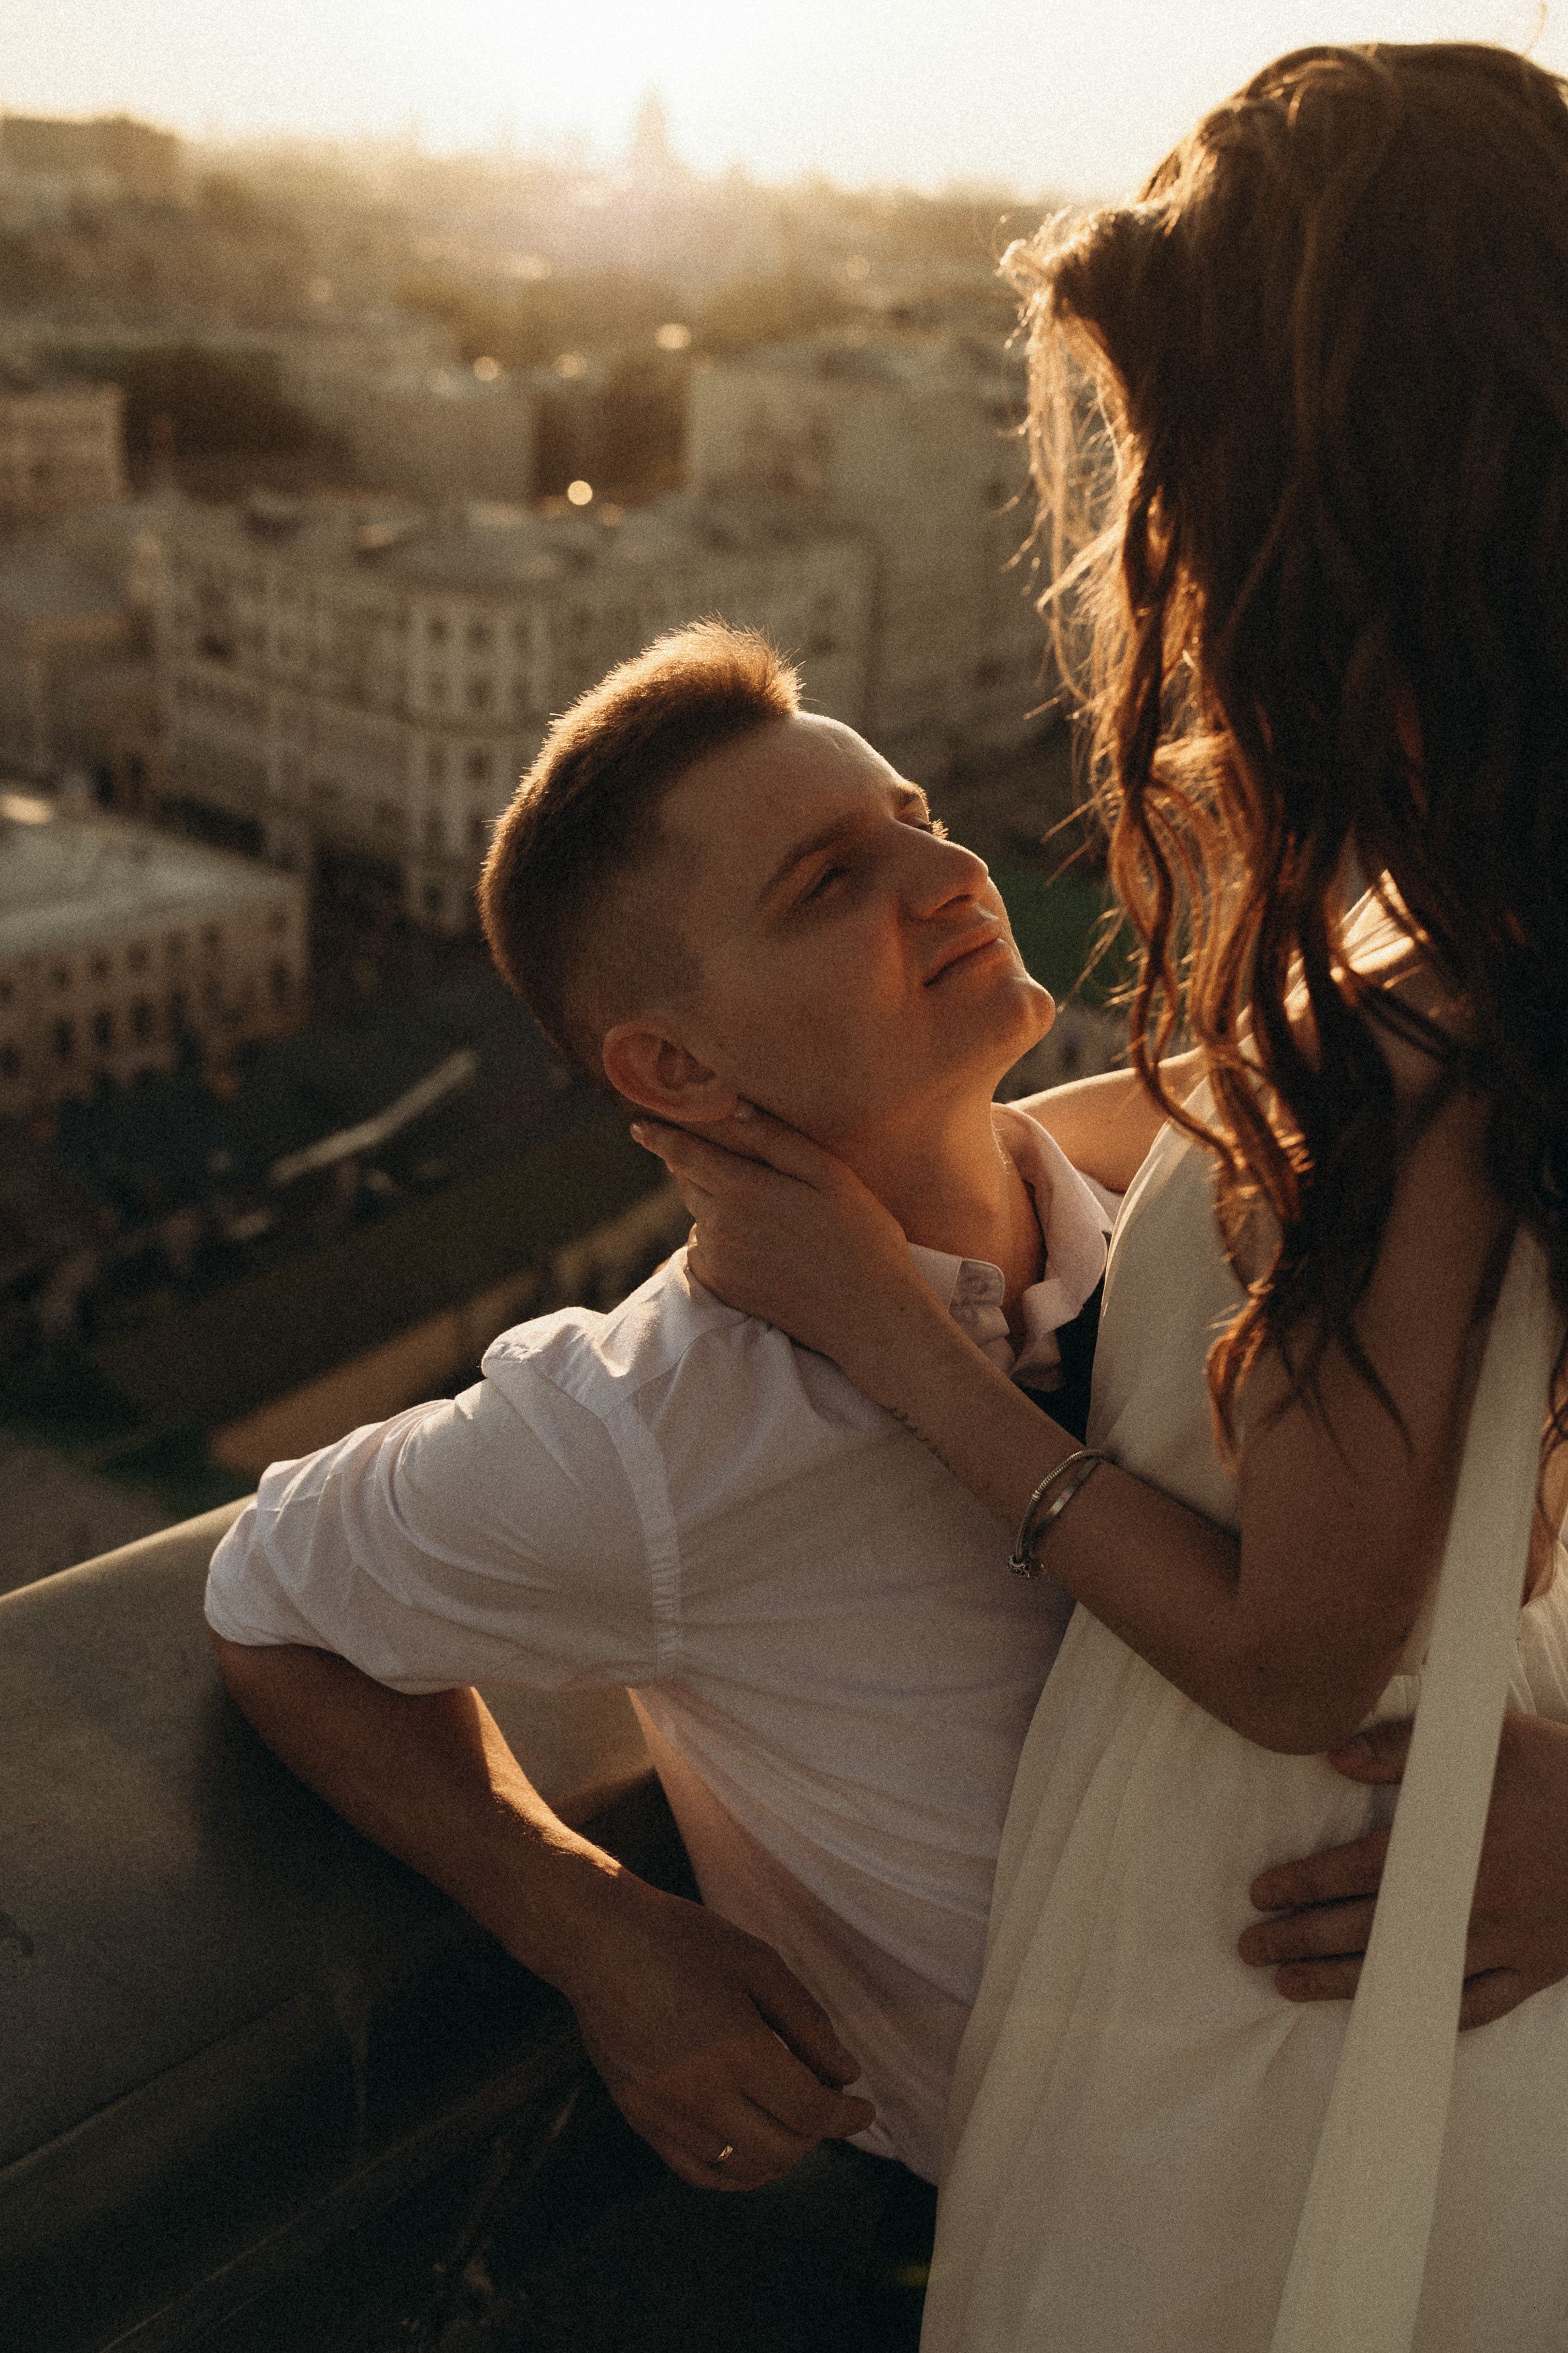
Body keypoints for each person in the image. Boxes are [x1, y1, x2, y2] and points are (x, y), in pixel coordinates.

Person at [200, 620, 1515, 2264]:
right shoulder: (657, 1429)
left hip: (1464, 2149)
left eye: (914, 812)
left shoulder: (1176, 1197)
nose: (949, 865)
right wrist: (593, 1924)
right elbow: (269, 1599)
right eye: (830, 879)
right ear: (673, 1067)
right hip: (1101, 2242)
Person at [632, 44, 1568, 2353]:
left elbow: (1286, 1657)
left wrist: (885, 1331)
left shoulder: (1427, 1026)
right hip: (1396, 1908)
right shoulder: (1478, 947)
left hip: (1271, 1955)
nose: (1161, 540)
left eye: (1188, 473)